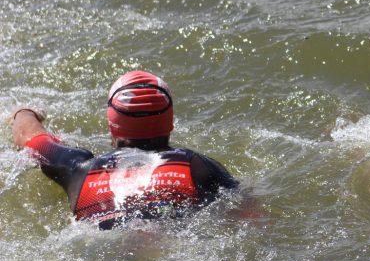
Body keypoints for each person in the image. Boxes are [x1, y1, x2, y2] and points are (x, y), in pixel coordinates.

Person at [9, 70, 238, 229]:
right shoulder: (197, 166)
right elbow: (251, 217)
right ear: (170, 123)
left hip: (103, 253)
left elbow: (29, 137)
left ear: (112, 125)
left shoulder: (78, 168)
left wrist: (25, 111)